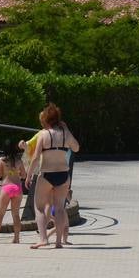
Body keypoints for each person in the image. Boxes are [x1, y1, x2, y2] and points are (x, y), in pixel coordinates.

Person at [27, 103, 80, 250]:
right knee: (60, 209)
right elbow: (76, 147)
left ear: (46, 119)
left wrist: (29, 175)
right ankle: (58, 242)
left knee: (39, 207)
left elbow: (36, 158)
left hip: (47, 174)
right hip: (63, 174)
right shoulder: (65, 134)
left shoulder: (43, 135)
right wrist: (67, 129)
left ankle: (43, 239)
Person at [0, 138, 26, 244]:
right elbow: (24, 175)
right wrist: (16, 173)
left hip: (7, 188)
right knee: (16, 214)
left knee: (0, 214)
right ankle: (16, 238)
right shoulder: (19, 161)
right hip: (17, 188)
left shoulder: (2, 160)